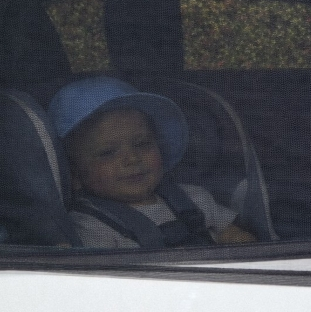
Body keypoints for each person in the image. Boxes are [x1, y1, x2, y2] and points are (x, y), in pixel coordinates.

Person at [49, 76, 256, 249]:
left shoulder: (194, 199)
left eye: (141, 144)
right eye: (108, 153)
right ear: (75, 174)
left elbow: (234, 237)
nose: (131, 158)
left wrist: (237, 240)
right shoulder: (89, 226)